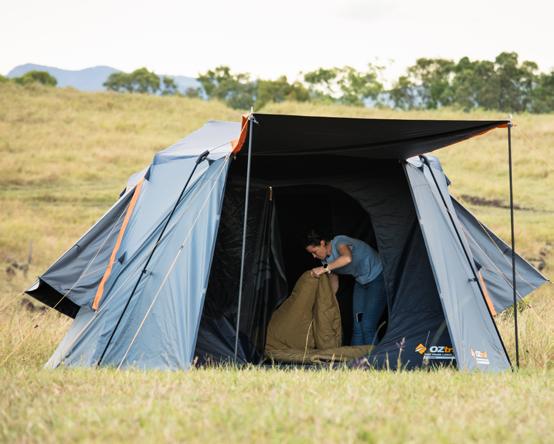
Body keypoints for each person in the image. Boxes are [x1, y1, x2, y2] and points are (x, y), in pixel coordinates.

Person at [304, 230, 386, 346]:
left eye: (314, 252)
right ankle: (355, 358)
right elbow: (334, 280)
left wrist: (323, 269)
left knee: (367, 326)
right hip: (361, 282)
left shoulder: (340, 242)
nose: (313, 256)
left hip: (377, 278)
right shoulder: (325, 261)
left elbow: (347, 258)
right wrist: (330, 301)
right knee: (357, 326)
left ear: (322, 243)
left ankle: (375, 358)